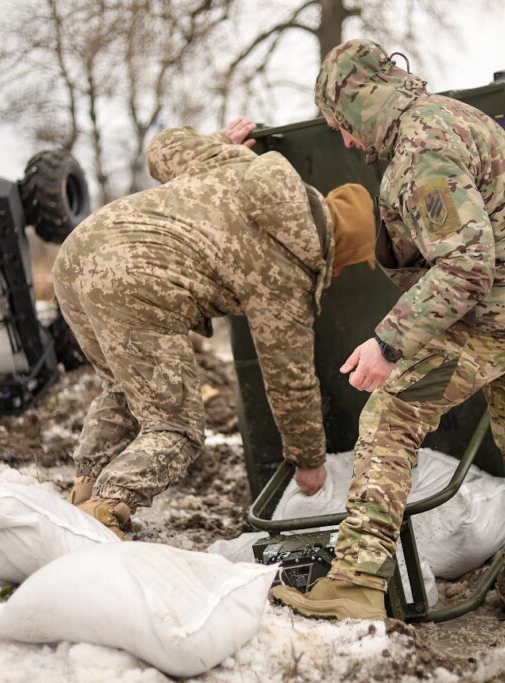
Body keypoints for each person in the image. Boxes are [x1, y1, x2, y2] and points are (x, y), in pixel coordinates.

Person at [271, 40, 505, 620]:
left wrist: (388, 343)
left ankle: (356, 581)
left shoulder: (421, 148)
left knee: (391, 415)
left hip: (496, 317)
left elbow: (467, 264)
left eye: (342, 125)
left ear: (360, 103)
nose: (346, 142)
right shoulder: (453, 117)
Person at [52, 118, 376, 538]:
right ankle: (107, 508)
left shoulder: (238, 162)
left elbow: (163, 147)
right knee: (176, 427)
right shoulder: (287, 271)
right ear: (339, 250)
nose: (339, 272)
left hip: (78, 255)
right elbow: (289, 379)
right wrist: (309, 460)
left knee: (123, 389)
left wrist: (219, 140)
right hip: (136, 280)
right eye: (347, 263)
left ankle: (83, 492)